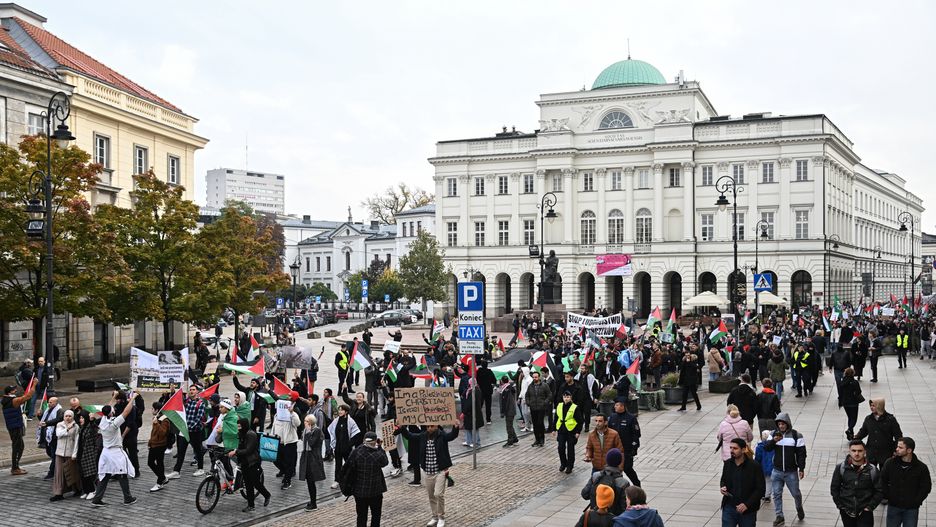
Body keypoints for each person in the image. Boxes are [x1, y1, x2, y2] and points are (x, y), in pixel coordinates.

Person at [400, 424, 460, 527]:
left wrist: (456, 427)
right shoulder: (423, 436)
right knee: (431, 496)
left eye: (432, 426)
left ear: (436, 426)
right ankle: (434, 516)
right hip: (427, 472)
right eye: (428, 427)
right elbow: (410, 436)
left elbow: (452, 436)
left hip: (440, 471)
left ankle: (441, 517)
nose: (429, 428)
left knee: (438, 494)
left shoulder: (442, 436)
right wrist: (402, 427)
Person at [91, 393, 139, 507]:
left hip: (105, 453)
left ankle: (97, 499)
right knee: (122, 473)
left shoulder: (103, 420)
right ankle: (128, 498)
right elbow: (126, 412)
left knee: (105, 475)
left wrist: (114, 397)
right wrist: (133, 398)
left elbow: (108, 406)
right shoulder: (114, 423)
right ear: (111, 413)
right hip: (115, 452)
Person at [764, 412, 807, 526]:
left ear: (787, 424)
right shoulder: (773, 434)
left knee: (796, 493)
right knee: (777, 494)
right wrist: (774, 441)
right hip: (777, 471)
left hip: (791, 472)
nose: (781, 426)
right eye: (779, 424)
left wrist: (801, 468)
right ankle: (780, 516)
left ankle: (799, 507)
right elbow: (766, 448)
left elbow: (801, 453)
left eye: (783, 424)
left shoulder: (796, 435)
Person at [830, 440, 883, 527]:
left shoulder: (872, 470)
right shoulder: (841, 468)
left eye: (860, 451)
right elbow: (834, 488)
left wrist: (869, 507)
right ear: (849, 451)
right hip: (847, 511)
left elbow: (879, 490)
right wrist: (840, 506)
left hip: (865, 512)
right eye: (854, 451)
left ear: (865, 452)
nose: (857, 454)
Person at [880, 437, 931, 527]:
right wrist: (888, 496)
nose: (897, 449)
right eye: (897, 446)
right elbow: (882, 480)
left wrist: (917, 501)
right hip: (893, 506)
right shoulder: (890, 463)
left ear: (909, 450)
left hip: (911, 509)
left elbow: (926, 487)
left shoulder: (921, 468)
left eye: (900, 447)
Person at [346, 431, 389, 527]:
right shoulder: (378, 454)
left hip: (360, 491)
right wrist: (380, 447)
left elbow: (349, 466)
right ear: (375, 442)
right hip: (375, 491)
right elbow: (385, 462)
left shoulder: (356, 452)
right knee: (376, 516)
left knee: (361, 516)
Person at [720, 438, 766, 527]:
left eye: (735, 448)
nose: (731, 451)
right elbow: (723, 480)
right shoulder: (728, 464)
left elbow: (760, 489)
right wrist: (723, 487)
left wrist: (746, 504)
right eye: (730, 448)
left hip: (747, 510)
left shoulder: (754, 466)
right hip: (729, 507)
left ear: (744, 449)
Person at [229, 417, 270, 512]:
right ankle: (251, 505)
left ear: (244, 425)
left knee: (256, 483)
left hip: (253, 462)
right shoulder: (242, 434)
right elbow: (240, 446)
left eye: (240, 426)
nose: (238, 428)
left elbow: (249, 450)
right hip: (245, 462)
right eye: (237, 426)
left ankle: (267, 495)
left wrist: (236, 451)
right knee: (248, 485)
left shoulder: (251, 434)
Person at [167, 384, 206, 479]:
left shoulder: (200, 403)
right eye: (190, 390)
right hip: (184, 431)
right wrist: (172, 392)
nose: (191, 391)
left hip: (195, 432)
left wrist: (189, 427)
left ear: (197, 391)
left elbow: (199, 418)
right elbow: (175, 404)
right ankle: (176, 471)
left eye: (193, 390)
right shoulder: (186, 402)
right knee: (181, 451)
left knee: (198, 450)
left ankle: (200, 468)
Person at [854, 398, 902, 468]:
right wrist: (855, 439)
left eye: (874, 406)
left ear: (879, 406)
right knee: (870, 472)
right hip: (871, 451)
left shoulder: (890, 419)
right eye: (871, 405)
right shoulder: (868, 418)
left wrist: (896, 449)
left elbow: (898, 436)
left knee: (884, 473)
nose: (871, 407)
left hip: (886, 452)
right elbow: (863, 431)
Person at [581, 448, 631, 515]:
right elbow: (624, 507)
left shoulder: (596, 476)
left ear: (607, 460)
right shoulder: (623, 483)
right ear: (620, 461)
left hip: (595, 516)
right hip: (613, 519)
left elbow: (585, 494)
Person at [607, 396, 641, 487]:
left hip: (626, 449)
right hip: (615, 449)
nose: (615, 407)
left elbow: (636, 434)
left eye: (617, 405)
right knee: (613, 469)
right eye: (615, 405)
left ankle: (637, 484)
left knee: (627, 468)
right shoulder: (612, 417)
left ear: (623, 406)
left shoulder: (631, 418)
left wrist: (634, 447)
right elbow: (608, 432)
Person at [2, 383, 34, 475]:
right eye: (13, 390)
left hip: (14, 425)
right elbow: (28, 396)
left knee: (20, 446)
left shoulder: (7, 400)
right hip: (15, 426)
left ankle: (16, 466)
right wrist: (34, 384)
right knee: (17, 447)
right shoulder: (13, 400)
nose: (15, 391)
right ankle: (15, 468)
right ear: (9, 392)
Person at [328, 404, 360, 489]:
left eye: (342, 410)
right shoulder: (336, 421)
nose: (340, 412)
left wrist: (350, 444)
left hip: (347, 448)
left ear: (346, 411)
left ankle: (351, 480)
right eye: (339, 410)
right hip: (338, 447)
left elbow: (356, 434)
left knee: (349, 464)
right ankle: (337, 480)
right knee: (338, 465)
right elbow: (331, 431)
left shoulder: (351, 421)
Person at [272, 395, 301, 489]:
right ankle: (285, 472)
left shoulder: (292, 414)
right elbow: (274, 427)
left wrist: (292, 413)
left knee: (289, 462)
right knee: (276, 459)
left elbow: (298, 423)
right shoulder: (277, 416)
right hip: (278, 442)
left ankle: (287, 480)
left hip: (289, 442)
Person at [50, 409, 80, 501]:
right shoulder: (60, 425)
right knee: (59, 473)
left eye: (70, 416)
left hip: (70, 453)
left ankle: (77, 489)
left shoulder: (76, 427)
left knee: (71, 472)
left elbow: (76, 441)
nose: (68, 418)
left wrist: (74, 453)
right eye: (66, 416)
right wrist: (67, 428)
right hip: (59, 452)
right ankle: (58, 493)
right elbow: (59, 434)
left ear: (73, 417)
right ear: (64, 417)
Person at [298, 414, 326, 511]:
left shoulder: (316, 430)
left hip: (313, 458)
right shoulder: (306, 430)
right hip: (306, 455)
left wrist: (308, 432)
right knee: (309, 481)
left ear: (310, 423)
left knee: (311, 480)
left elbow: (312, 443)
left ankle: (313, 503)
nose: (304, 422)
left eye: (306, 421)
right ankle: (312, 501)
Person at [554, 389, 584, 474]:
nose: (566, 398)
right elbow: (556, 418)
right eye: (564, 397)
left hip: (571, 430)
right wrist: (554, 429)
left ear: (571, 398)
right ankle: (563, 463)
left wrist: (578, 432)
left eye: (568, 397)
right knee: (561, 447)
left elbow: (580, 421)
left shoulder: (575, 407)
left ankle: (570, 466)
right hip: (561, 429)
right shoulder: (559, 406)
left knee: (570, 449)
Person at [146, 401, 172, 492]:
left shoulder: (165, 420)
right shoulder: (156, 417)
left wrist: (156, 423)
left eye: (152, 408)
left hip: (160, 445)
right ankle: (162, 478)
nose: (151, 410)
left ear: (157, 410)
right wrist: (150, 442)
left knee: (159, 463)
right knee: (151, 462)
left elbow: (162, 433)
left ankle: (160, 482)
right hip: (154, 444)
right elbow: (154, 433)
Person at [38, 395, 64, 480]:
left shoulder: (59, 410)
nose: (48, 403)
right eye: (48, 402)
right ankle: (58, 467)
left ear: (56, 403)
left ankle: (51, 472)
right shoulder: (48, 409)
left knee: (54, 455)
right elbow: (44, 419)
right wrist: (39, 415)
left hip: (54, 436)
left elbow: (58, 419)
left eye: (50, 402)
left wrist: (47, 423)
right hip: (47, 436)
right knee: (49, 453)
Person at [76, 412, 101, 500]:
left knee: (89, 473)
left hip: (89, 453)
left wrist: (92, 420)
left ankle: (92, 490)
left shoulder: (90, 427)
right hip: (81, 452)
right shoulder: (81, 428)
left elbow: (94, 428)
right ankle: (86, 490)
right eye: (80, 418)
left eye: (82, 418)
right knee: (82, 473)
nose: (80, 420)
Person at [524, 370, 552, 447]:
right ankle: (537, 439)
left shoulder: (544, 385)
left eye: (536, 377)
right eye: (533, 377)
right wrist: (528, 402)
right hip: (533, 408)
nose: (535, 378)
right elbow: (527, 395)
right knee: (535, 424)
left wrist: (545, 402)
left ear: (539, 377)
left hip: (541, 408)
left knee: (540, 423)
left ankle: (542, 439)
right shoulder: (530, 386)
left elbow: (549, 395)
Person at [838, 368, 864, 440]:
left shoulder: (842, 382)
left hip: (845, 403)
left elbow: (840, 393)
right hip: (853, 403)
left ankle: (850, 435)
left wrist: (840, 403)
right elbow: (859, 391)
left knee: (850, 417)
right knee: (854, 418)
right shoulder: (854, 382)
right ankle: (849, 429)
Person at [498, 374, 518, 447]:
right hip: (511, 410)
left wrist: (502, 412)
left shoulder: (505, 390)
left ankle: (510, 441)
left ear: (502, 381)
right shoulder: (510, 387)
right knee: (510, 425)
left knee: (508, 426)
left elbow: (504, 402)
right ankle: (515, 438)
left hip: (509, 410)